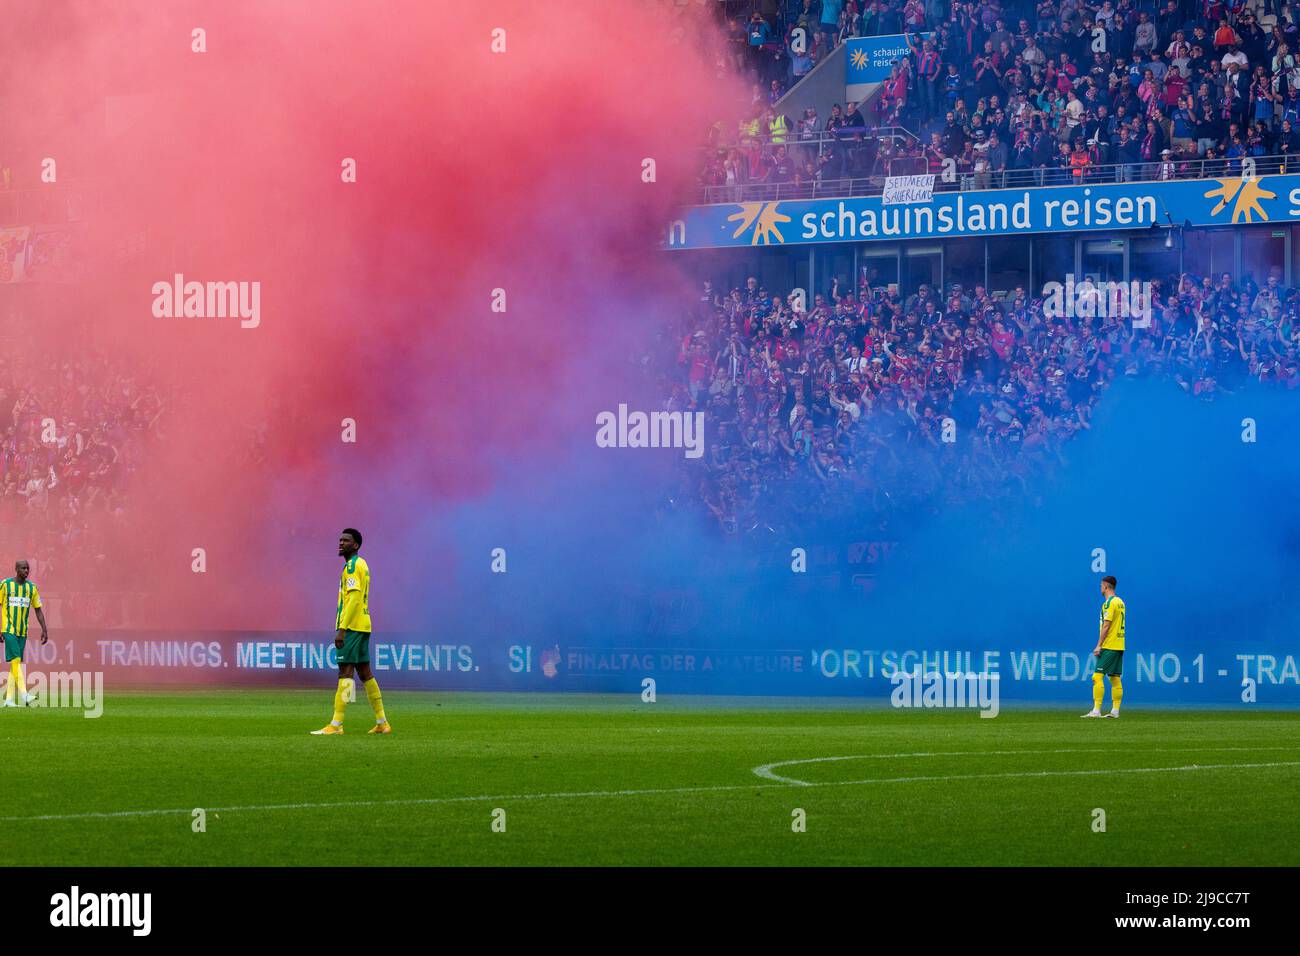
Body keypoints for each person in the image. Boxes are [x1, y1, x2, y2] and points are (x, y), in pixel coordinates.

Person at [312, 528, 391, 735]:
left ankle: (337, 724)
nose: (341, 543)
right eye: (340, 540)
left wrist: (342, 629)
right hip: (364, 624)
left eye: (346, 540)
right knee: (365, 673)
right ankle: (382, 722)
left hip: (353, 627)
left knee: (345, 673)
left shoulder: (352, 566)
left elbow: (354, 599)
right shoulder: (362, 564)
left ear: (355, 545)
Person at [1, 560, 48, 707]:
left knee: (15, 664)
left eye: (27, 568)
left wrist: (44, 629)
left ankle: (8, 699)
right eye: (23, 568)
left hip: (22, 630)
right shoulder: (5, 585)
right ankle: (24, 694)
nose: (26, 570)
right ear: (16, 569)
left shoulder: (31, 588)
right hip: (8, 629)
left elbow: (38, 610)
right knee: (15, 659)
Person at [1084, 575, 1126, 718]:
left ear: (1106, 586)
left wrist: (1098, 645)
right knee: (1114, 678)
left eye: (1101, 586)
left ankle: (1096, 710)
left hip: (1109, 645)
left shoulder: (1109, 603)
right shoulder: (1121, 602)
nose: (1100, 588)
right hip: (1119, 645)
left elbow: (1106, 625)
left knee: (1097, 676)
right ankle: (1115, 711)